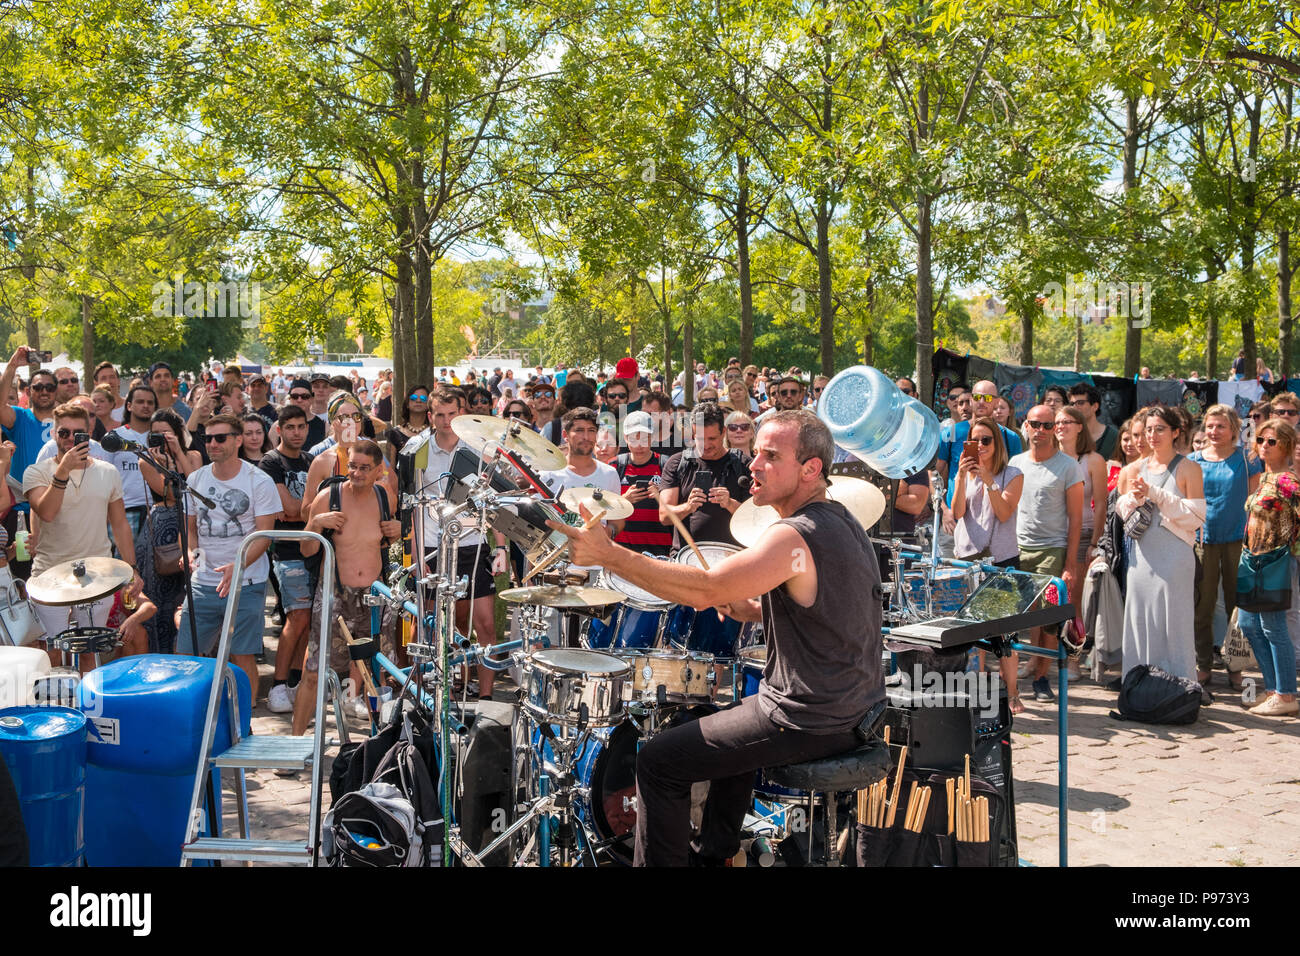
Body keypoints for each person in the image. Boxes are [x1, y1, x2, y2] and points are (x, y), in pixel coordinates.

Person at [549, 410, 883, 866]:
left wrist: (609, 555)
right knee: (729, 720)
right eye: (756, 453)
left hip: (809, 718)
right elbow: (821, 606)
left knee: (658, 762)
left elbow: (706, 588)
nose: (754, 465)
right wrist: (747, 607)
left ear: (811, 469)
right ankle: (716, 855)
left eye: (771, 456)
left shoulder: (793, 535)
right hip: (849, 708)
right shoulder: (841, 520)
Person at [295, 439, 400, 730]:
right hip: (335, 594)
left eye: (365, 468)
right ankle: (293, 742)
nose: (356, 473)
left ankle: (378, 743)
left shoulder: (384, 497)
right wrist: (316, 524)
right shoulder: (330, 497)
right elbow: (306, 550)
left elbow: (387, 541)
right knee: (314, 672)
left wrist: (397, 531)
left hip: (375, 597)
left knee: (376, 673)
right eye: (353, 466)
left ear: (379, 470)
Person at [24, 403, 142, 660]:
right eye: (63, 432)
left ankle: (88, 701)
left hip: (96, 575)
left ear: (88, 435)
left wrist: (132, 568)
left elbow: (120, 524)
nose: (69, 439)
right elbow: (47, 512)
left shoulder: (108, 472)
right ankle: (58, 701)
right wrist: (63, 471)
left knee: (90, 652)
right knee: (54, 652)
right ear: (54, 433)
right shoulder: (36, 472)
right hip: (49, 575)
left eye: (77, 433)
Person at [177, 414, 281, 704]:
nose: (212, 444)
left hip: (246, 580)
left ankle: (244, 722)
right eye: (208, 438)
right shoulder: (195, 479)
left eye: (220, 438)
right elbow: (190, 529)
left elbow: (264, 535)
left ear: (237, 440)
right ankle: (193, 718)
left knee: (241, 654)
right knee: (187, 654)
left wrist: (239, 564)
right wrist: (190, 552)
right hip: (203, 581)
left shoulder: (258, 480)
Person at [413, 389, 510, 699]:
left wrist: (501, 548)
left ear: (461, 414)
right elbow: (412, 507)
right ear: (430, 416)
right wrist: (417, 556)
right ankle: (436, 695)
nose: (445, 421)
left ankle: (486, 698)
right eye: (439, 414)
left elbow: (493, 503)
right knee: (432, 626)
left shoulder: (477, 449)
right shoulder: (419, 450)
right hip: (433, 546)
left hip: (474, 544)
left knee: (485, 628)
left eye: (451, 414)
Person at [1116, 407, 1206, 688]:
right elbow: (1119, 511)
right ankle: (1138, 687)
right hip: (1141, 556)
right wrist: (1132, 501)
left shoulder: (1189, 467)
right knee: (1139, 620)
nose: (1153, 435)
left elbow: (1195, 518)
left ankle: (1180, 690)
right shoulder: (1133, 470)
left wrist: (1155, 494)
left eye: (1160, 429)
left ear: (1176, 432)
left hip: (1175, 556)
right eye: (1149, 430)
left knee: (1175, 624)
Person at [1009, 405, 1084, 703]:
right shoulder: (1015, 462)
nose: (1040, 430)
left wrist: (1070, 564)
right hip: (1016, 549)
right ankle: (1011, 682)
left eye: (1047, 425)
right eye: (1035, 424)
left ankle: (1042, 678)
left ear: (1055, 429)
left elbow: (1076, 518)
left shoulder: (1069, 466)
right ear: (1025, 426)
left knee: (1050, 619)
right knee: (1015, 620)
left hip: (1051, 550)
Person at [951, 416, 1024, 711]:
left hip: (1002, 558)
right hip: (967, 558)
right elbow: (957, 512)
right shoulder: (965, 474)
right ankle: (979, 691)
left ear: (997, 443)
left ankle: (1013, 691)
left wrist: (989, 480)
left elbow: (1005, 513)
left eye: (986, 440)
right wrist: (959, 479)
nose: (979, 446)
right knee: (972, 629)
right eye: (974, 440)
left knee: (1005, 630)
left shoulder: (1013, 473)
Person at [1190, 404, 1260, 690]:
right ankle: (1202, 665)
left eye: (1220, 426)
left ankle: (1236, 666)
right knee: (1202, 606)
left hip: (1238, 541)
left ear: (1234, 429)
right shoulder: (1193, 460)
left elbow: (1256, 503)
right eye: (1209, 425)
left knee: (1238, 607)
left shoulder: (1247, 460)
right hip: (1202, 540)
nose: (1214, 431)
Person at [1237, 418, 1300, 716]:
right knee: (1249, 624)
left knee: (1273, 627)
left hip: (1275, 559)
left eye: (1271, 441)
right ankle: (1274, 688)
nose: (1264, 445)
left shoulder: (1289, 481)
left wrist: (1290, 549)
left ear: (1287, 445)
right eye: (1261, 439)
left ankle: (1287, 695)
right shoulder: (1264, 477)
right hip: (1251, 559)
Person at [259, 404, 316, 713]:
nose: (297, 432)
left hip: (314, 549)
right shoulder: (270, 463)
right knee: (296, 617)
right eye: (290, 427)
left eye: (301, 426)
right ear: (279, 429)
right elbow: (292, 510)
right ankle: (278, 684)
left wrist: (301, 510)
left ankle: (294, 682)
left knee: (309, 621)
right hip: (287, 550)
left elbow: (299, 508)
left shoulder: (311, 461)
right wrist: (308, 511)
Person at [135, 408, 203, 653]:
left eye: (166, 433)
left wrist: (177, 456)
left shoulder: (193, 455)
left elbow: (198, 487)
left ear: (177, 433)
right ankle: (159, 651)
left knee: (189, 589)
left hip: (192, 525)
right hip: (162, 525)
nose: (161, 438)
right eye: (155, 434)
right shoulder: (146, 460)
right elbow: (172, 495)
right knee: (160, 594)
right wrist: (163, 466)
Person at [658, 402, 752, 549]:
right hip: (686, 556)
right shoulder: (677, 463)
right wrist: (688, 507)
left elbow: (756, 518)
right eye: (700, 438)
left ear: (723, 432)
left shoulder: (744, 465)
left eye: (712, 439)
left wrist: (730, 504)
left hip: (733, 557)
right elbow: (664, 516)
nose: (706, 445)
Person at [105, 385, 159, 548]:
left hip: (156, 511)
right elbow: (104, 475)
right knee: (125, 567)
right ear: (129, 406)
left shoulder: (160, 436)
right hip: (124, 512)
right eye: (140, 401)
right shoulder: (115, 437)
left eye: (150, 403)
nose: (146, 406)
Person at [612, 411, 672, 557]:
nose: (639, 445)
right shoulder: (615, 465)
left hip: (660, 549)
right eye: (633, 439)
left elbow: (675, 506)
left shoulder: (666, 465)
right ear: (625, 438)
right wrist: (625, 500)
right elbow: (602, 508)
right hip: (623, 550)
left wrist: (662, 495)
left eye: (645, 439)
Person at [1054, 406, 1108, 564]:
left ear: (1080, 427)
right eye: (1056, 423)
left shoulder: (1094, 460)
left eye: (1066, 422)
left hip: (1084, 536)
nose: (1060, 426)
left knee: (1076, 588)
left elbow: (1100, 505)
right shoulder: (1048, 459)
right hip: (1051, 537)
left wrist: (1094, 543)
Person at [1067, 384, 1120, 461]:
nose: (1074, 407)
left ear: (1095, 406)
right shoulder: (1067, 435)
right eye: (1072, 404)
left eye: (1080, 402)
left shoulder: (1114, 437)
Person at [384, 385, 430, 464]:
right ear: (407, 404)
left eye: (423, 398)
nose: (418, 401)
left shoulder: (435, 433)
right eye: (413, 398)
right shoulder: (395, 433)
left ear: (429, 404)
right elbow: (389, 470)